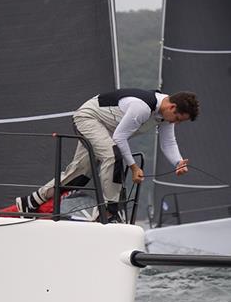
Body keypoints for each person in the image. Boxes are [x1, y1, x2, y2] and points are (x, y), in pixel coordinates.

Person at [16, 88, 199, 222]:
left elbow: (168, 142)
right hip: (89, 119)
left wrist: (178, 161)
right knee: (113, 156)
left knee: (79, 176)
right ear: (172, 107)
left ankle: (29, 202)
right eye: (178, 119)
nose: (176, 123)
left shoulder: (165, 115)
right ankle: (109, 212)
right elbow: (120, 138)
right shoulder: (141, 108)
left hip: (108, 131)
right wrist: (134, 167)